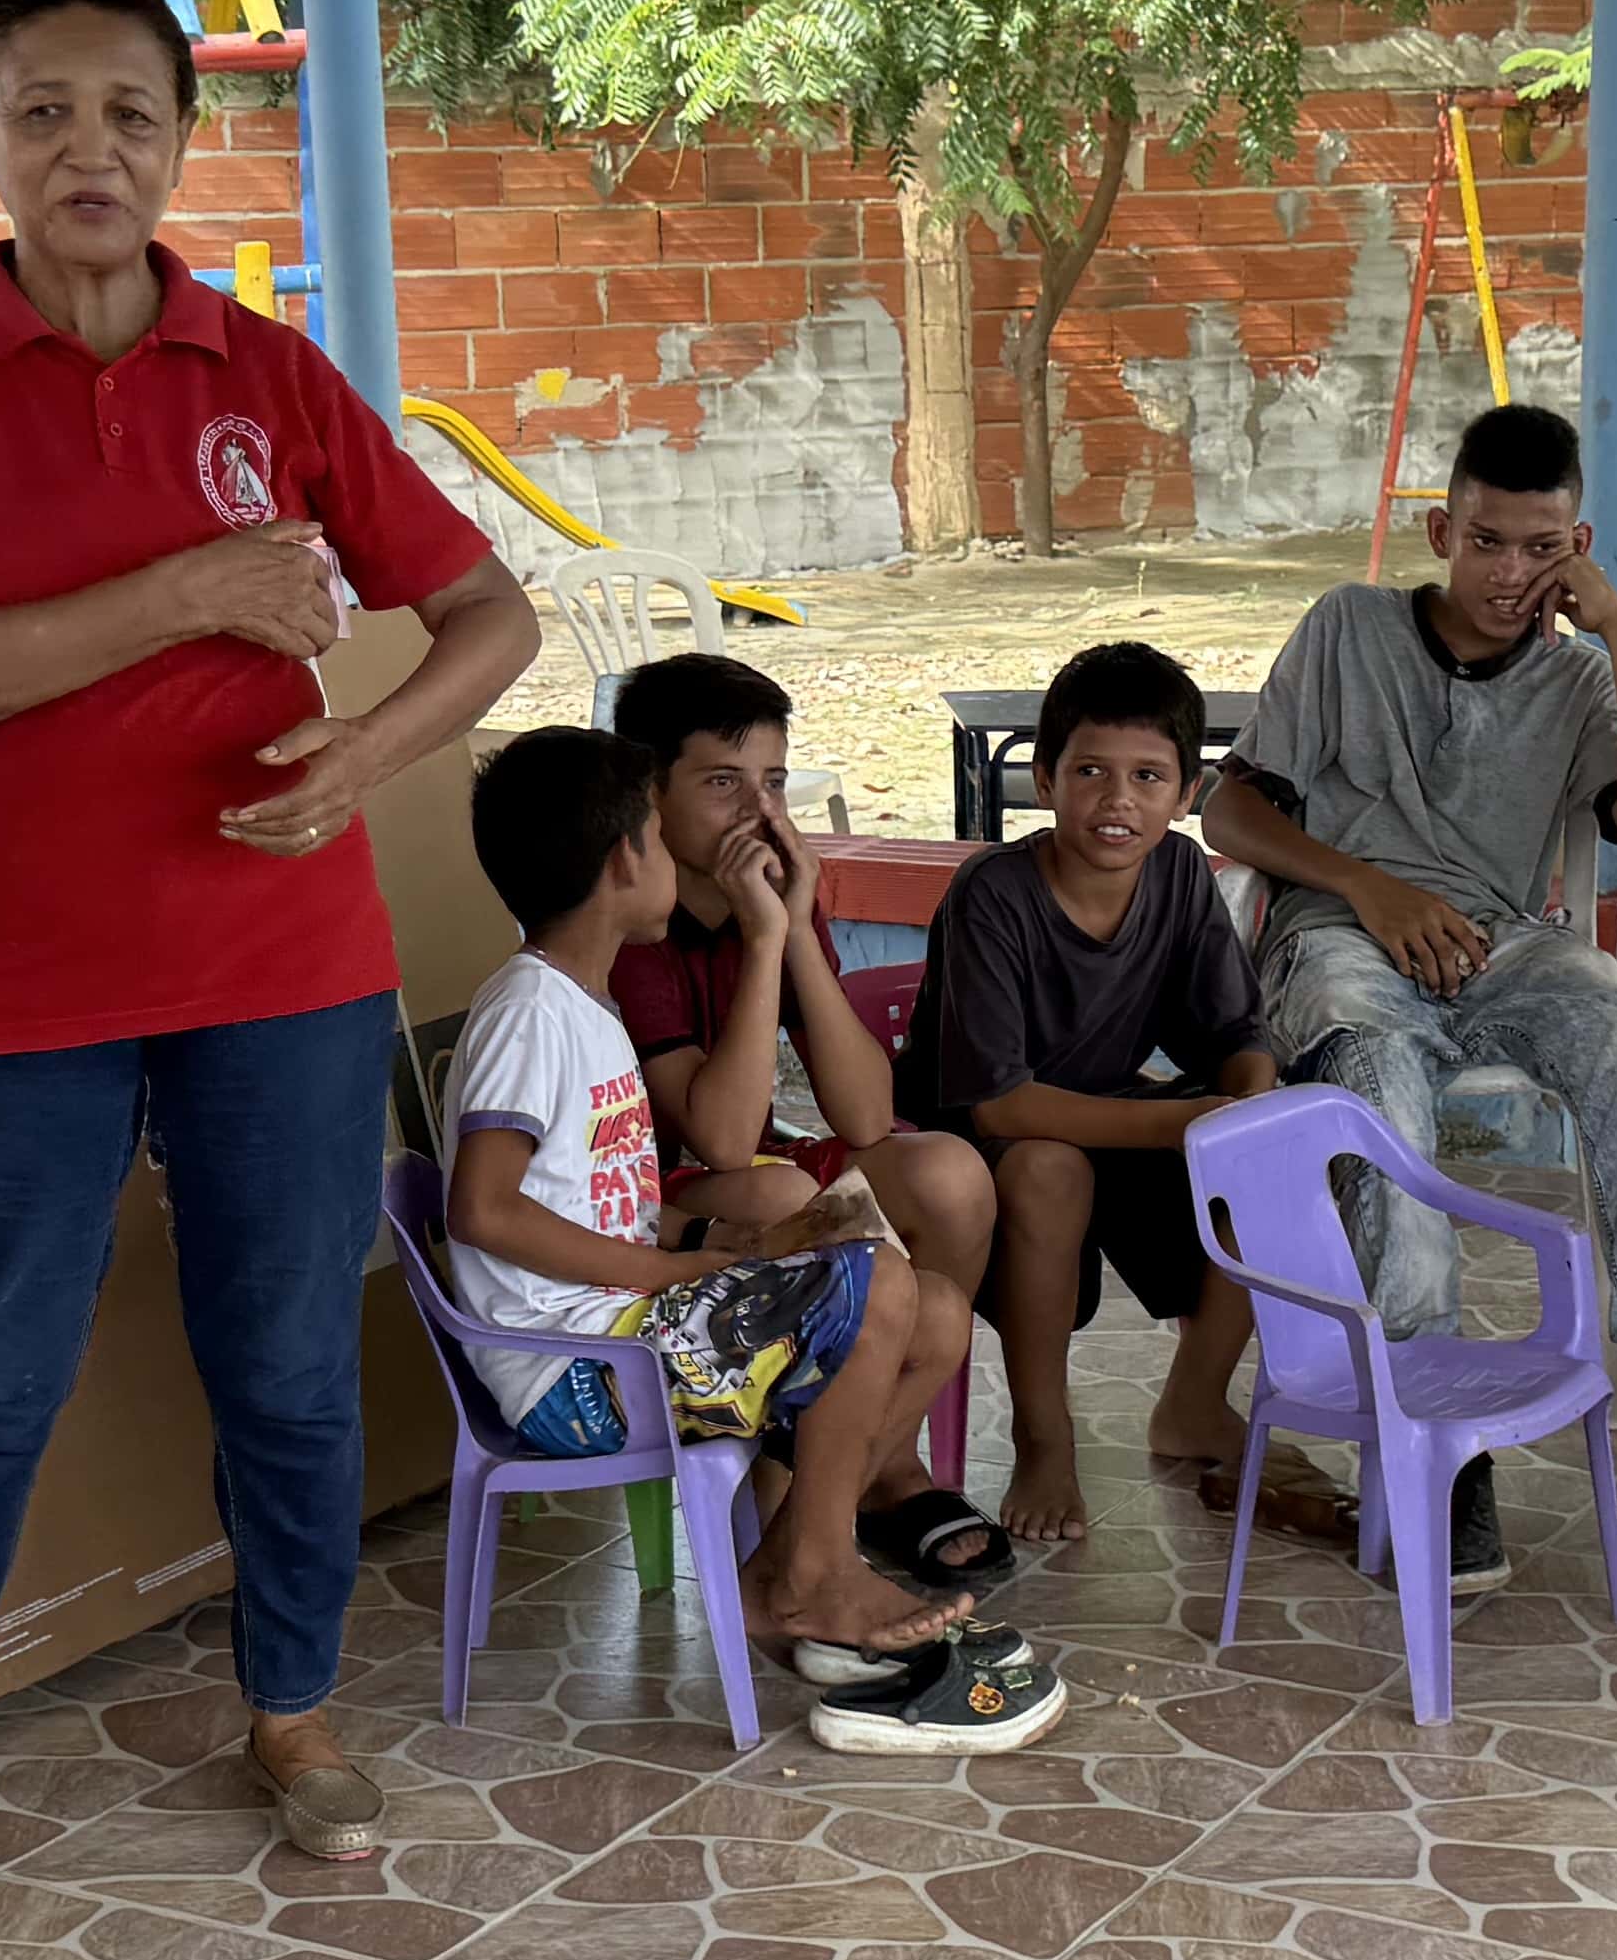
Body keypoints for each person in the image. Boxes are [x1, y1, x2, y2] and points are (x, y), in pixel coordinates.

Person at [0, 0, 543, 1901]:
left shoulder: (271, 374)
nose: (90, 149)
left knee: (288, 1361)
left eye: (131, 113)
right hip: (3, 982)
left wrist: (366, 751)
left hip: (277, 965)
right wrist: (195, 589)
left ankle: (294, 1707)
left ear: (183, 140)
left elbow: (495, 617)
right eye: (42, 110)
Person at [1204, 400, 1617, 1596]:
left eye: (1541, 549)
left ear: (1576, 551)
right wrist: (1365, 884)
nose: (1510, 575)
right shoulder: (1349, 628)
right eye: (1486, 542)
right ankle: (1431, 1434)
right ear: (1441, 532)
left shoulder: (1579, 680)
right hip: (1343, 935)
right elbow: (1230, 808)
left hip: (1503, 943)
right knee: (1377, 1080)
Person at [449, 726, 1056, 1753]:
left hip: (630, 1331)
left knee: (936, 1312)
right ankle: (817, 1573)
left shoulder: (584, 1006)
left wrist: (717, 1238)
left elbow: (594, 1198)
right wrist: (674, 1267)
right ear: (623, 861)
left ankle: (783, 1566)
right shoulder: (529, 1011)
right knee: (875, 1284)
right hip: (581, 1373)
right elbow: (484, 1209)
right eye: (655, 832)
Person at [895, 640, 1311, 1554]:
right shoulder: (993, 894)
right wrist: (1186, 1123)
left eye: (1147, 777)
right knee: (1051, 1170)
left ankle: (1194, 1403)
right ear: (1043, 780)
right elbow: (1001, 1107)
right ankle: (1045, 1438)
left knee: (1267, 1152)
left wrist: (1245, 1105)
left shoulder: (1179, 876)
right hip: (977, 1147)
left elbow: (1233, 1035)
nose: (1118, 800)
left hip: (1112, 1114)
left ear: (1186, 794)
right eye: (1090, 772)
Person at [608, 647, 1008, 1580]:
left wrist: (792, 927)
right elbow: (714, 1139)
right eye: (723, 783)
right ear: (650, 794)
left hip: (742, 1171)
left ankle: (876, 1465)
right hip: (650, 1200)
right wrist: (763, 940)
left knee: (948, 1173)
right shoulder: (633, 923)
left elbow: (866, 1115)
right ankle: (808, 1496)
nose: (759, 812)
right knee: (775, 1189)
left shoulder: (775, 897)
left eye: (775, 782)